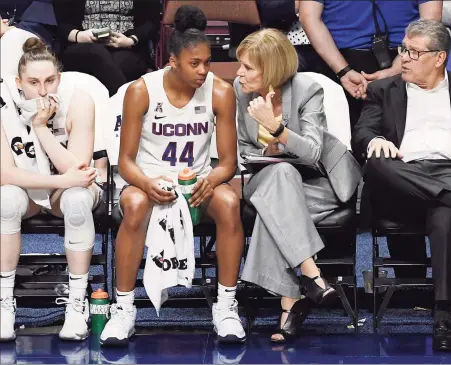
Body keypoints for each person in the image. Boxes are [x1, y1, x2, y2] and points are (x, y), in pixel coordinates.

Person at [99, 6, 246, 346]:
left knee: (228, 202)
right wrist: (148, 183)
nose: (203, 70)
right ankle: (124, 311)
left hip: (195, 181)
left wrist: (211, 179)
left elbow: (228, 162)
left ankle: (225, 308)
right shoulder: (142, 90)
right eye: (195, 63)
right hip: (147, 179)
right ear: (173, 61)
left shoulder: (221, 91)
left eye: (208, 62)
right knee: (134, 205)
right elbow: (126, 161)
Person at [352, 19, 451, 352]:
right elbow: (361, 134)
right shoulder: (382, 91)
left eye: (413, 52)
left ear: (439, 58)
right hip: (402, 177)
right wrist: (375, 142)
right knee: (378, 164)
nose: (404, 58)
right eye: (403, 50)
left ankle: (442, 315)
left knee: (445, 213)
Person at [234, 29, 361, 342]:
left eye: (248, 67)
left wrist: (277, 129)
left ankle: (292, 301)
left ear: (272, 69)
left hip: (312, 185)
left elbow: (315, 152)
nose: (239, 73)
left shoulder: (307, 89)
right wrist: (269, 152)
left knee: (280, 194)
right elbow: (243, 148)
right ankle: (311, 274)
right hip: (260, 180)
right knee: (281, 175)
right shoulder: (240, 90)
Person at [0, 38, 101, 341]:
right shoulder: (3, 103)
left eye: (50, 80)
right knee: (5, 198)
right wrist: (61, 180)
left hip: (68, 192)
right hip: (28, 190)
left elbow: (80, 169)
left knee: (78, 199)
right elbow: (5, 173)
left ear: (60, 76)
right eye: (33, 82)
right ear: (19, 82)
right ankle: (5, 303)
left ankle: (76, 303)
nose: (43, 91)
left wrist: (41, 128)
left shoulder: (79, 99)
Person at [299, 0, 442, 129]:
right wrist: (343, 71)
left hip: (406, 55)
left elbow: (431, 23)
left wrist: (397, 68)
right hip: (339, 60)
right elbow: (308, 17)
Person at [53, 0, 161, 96]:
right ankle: (125, 107)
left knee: (119, 66)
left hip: (127, 46)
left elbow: (152, 22)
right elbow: (59, 22)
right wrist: (79, 36)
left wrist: (130, 40)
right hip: (81, 45)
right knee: (97, 54)